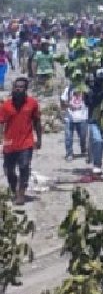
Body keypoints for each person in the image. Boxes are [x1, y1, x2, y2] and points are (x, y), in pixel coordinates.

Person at [0, 77, 41, 205]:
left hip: (26, 142)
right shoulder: (6, 106)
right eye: (16, 87)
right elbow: (1, 124)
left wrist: (39, 139)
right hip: (10, 143)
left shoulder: (32, 103)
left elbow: (37, 122)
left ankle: (21, 193)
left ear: (26, 89)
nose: (18, 89)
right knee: (9, 170)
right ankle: (14, 188)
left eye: (21, 87)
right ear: (13, 88)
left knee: (24, 166)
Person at [60, 81, 89, 161]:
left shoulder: (84, 89)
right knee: (68, 136)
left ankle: (83, 148)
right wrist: (67, 106)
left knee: (83, 136)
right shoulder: (68, 89)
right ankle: (69, 153)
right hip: (70, 117)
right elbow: (62, 101)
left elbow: (88, 100)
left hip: (82, 117)